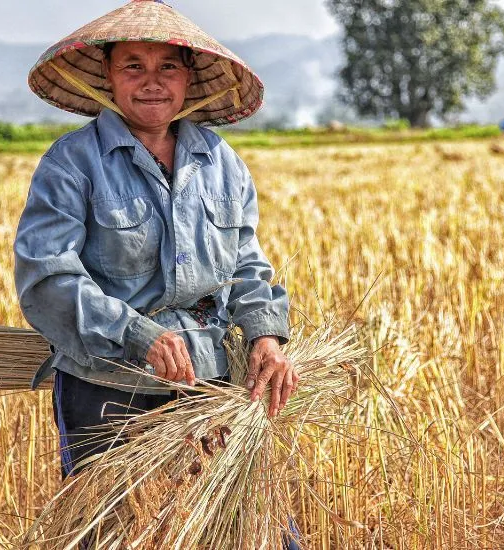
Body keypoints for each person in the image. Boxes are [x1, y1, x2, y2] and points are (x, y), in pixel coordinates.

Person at [15, 0, 298, 500]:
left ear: (188, 78)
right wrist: (137, 333)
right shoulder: (72, 163)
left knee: (244, 523)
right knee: (112, 527)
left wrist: (266, 336)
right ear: (108, 75)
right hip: (108, 386)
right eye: (133, 66)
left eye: (168, 66)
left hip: (210, 381)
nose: (152, 81)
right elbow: (47, 277)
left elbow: (247, 265)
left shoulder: (221, 163)